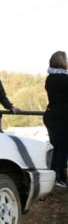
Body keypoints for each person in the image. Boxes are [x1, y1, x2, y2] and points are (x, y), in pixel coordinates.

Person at [44, 51, 68, 188]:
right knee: (63, 148)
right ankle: (60, 178)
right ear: (62, 61)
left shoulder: (50, 78)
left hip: (51, 115)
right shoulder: (65, 79)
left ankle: (55, 176)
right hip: (62, 117)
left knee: (56, 147)